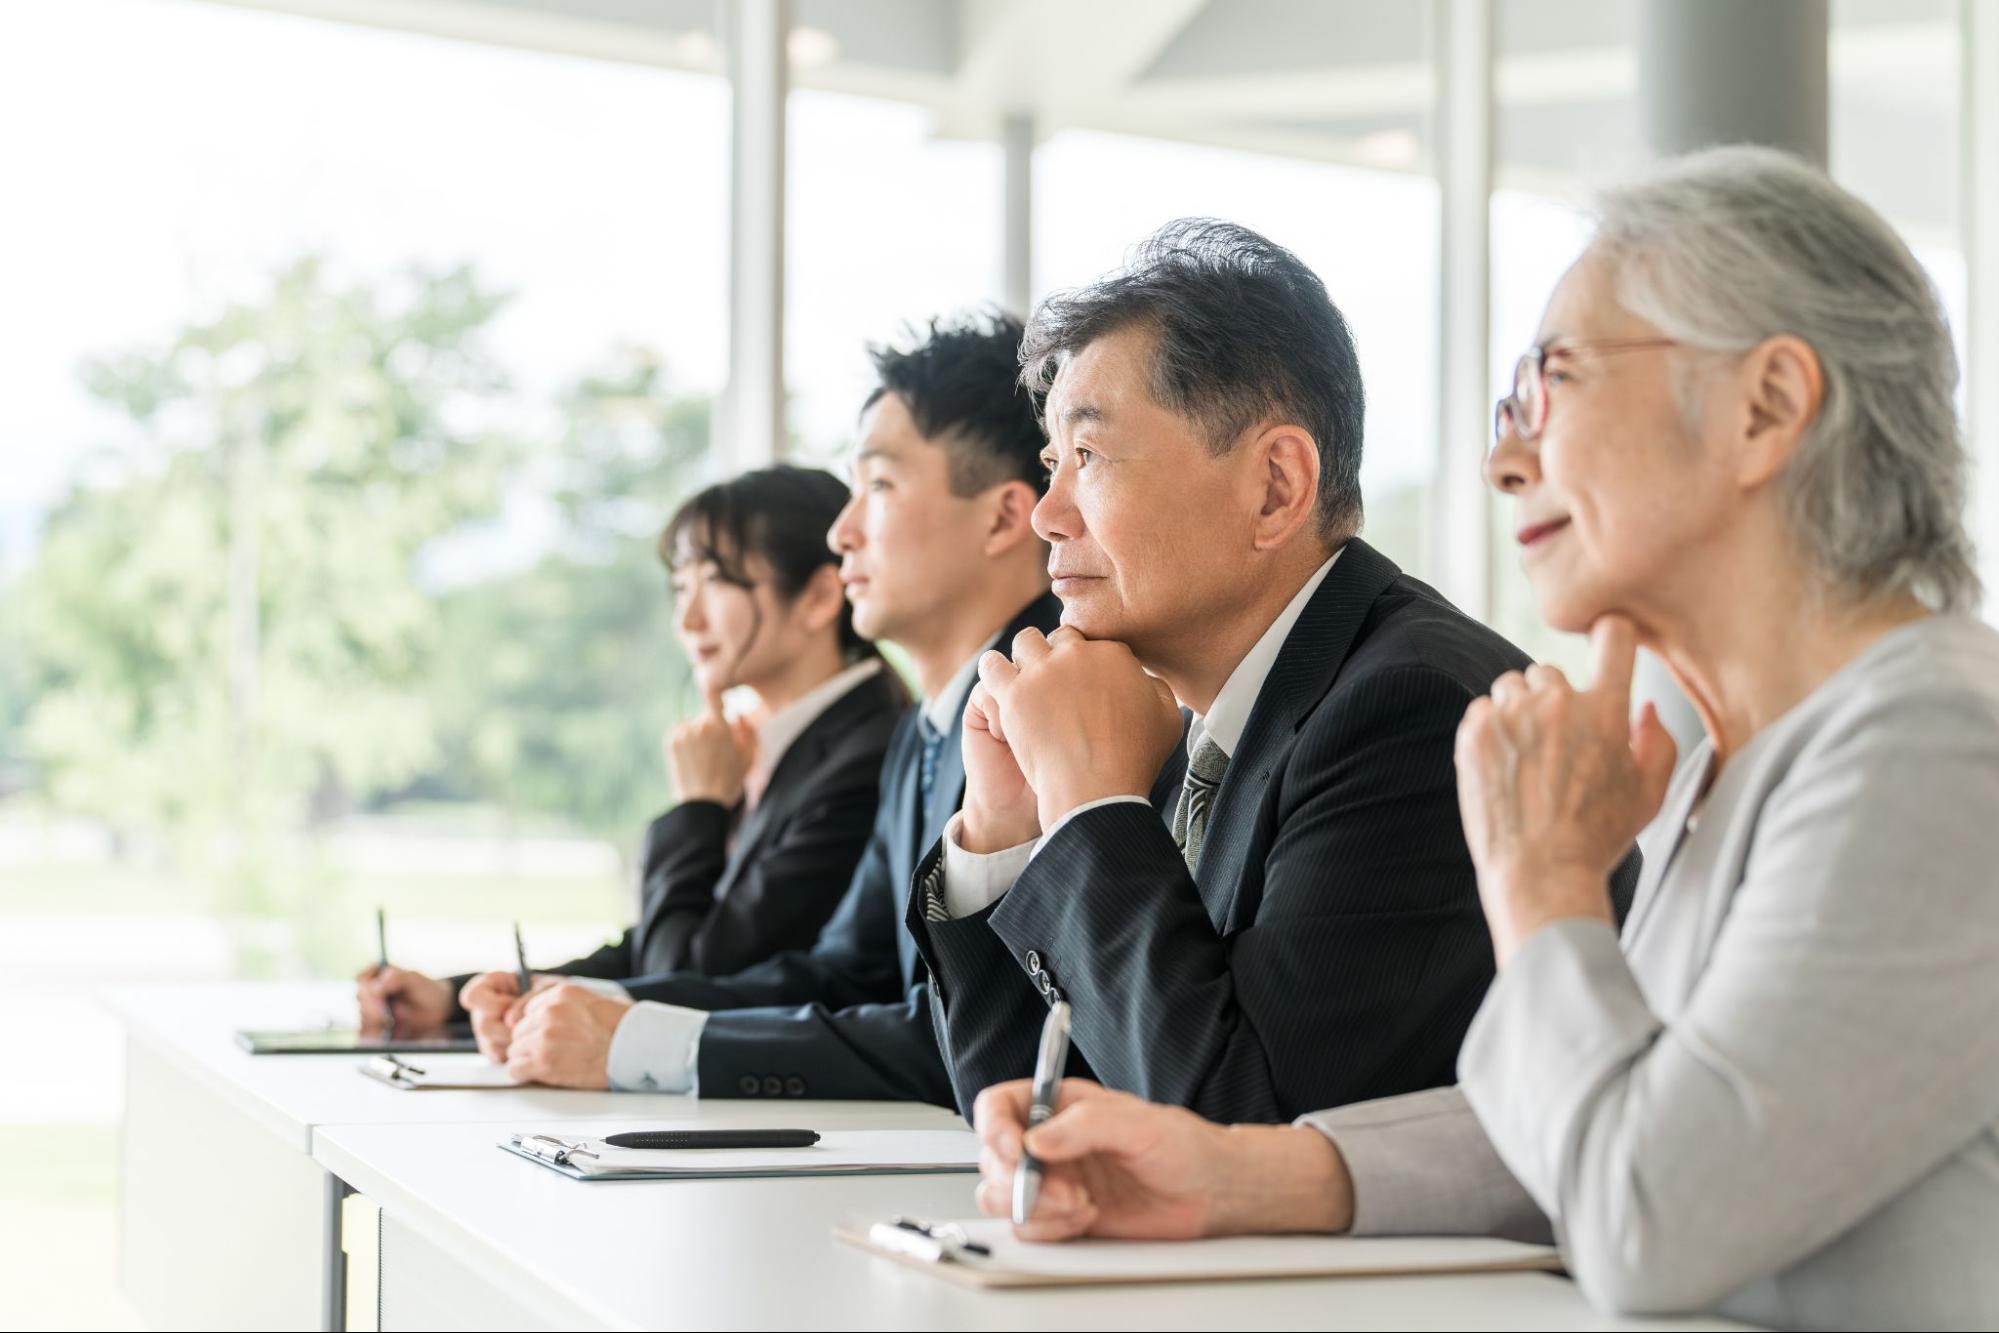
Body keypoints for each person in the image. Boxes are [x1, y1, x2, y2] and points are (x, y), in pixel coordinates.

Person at [970, 148, 1999, 1331]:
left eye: (1553, 382)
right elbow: (1614, 1113)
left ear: (1763, 408)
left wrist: (1545, 883)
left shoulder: (1934, 747)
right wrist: (1242, 1175)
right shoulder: (1734, 757)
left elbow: (1644, 1212)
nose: (1506, 458)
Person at [909, 218, 1640, 1123]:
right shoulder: (1182, 718)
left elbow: (1237, 1124)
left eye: (1088, 456)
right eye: (1053, 462)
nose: (1047, 515)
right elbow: (1030, 1108)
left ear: (1275, 487)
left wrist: (1091, 807)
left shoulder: (1412, 713)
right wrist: (1008, 828)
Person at [473, 311, 1061, 1102]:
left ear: (1001, 515)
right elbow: (846, 970)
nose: (841, 531)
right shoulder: (923, 731)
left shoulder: (1056, 705)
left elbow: (971, 1034)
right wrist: (592, 1007)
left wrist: (638, 1037)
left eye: (879, 485)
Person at [356, 465, 907, 1035]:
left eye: (717, 582)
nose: (687, 619)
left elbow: (688, 974)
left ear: (818, 597)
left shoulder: (870, 755)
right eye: (680, 588)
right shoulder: (773, 743)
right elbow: (649, 954)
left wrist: (698, 809)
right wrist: (456, 999)